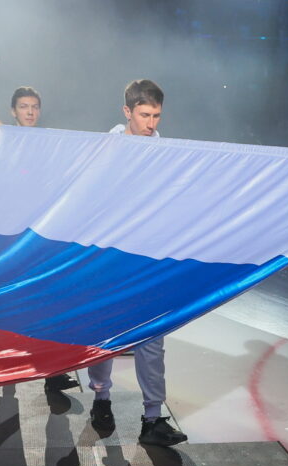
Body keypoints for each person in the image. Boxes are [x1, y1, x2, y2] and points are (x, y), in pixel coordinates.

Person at [87, 79, 187, 447]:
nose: (151, 123)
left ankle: (152, 418)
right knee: (105, 334)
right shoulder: (105, 149)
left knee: (152, 339)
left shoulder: (166, 153)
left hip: (149, 260)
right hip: (110, 260)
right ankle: (101, 398)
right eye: (145, 115)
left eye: (156, 115)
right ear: (127, 111)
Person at [0, 87, 79, 392]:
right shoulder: (4, 139)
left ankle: (52, 372)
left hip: (42, 233)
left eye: (35, 106)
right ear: (13, 111)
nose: (30, 112)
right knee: (15, 301)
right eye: (24, 106)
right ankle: (10, 369)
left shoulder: (48, 142)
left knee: (48, 299)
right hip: (12, 233)